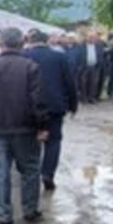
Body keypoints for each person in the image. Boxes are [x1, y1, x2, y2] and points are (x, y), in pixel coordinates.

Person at [0, 28, 49, 224]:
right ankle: (30, 210)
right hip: (25, 128)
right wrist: (42, 126)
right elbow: (38, 101)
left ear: (0, 42)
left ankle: (4, 216)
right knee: (30, 170)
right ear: (22, 42)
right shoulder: (30, 67)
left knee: (0, 173)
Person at [23, 30, 78, 191]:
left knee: (29, 140)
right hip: (54, 105)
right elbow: (69, 82)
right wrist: (73, 105)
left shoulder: (24, 56)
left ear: (31, 41)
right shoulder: (59, 57)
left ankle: (30, 174)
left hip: (29, 106)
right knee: (53, 141)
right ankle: (48, 173)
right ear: (47, 41)